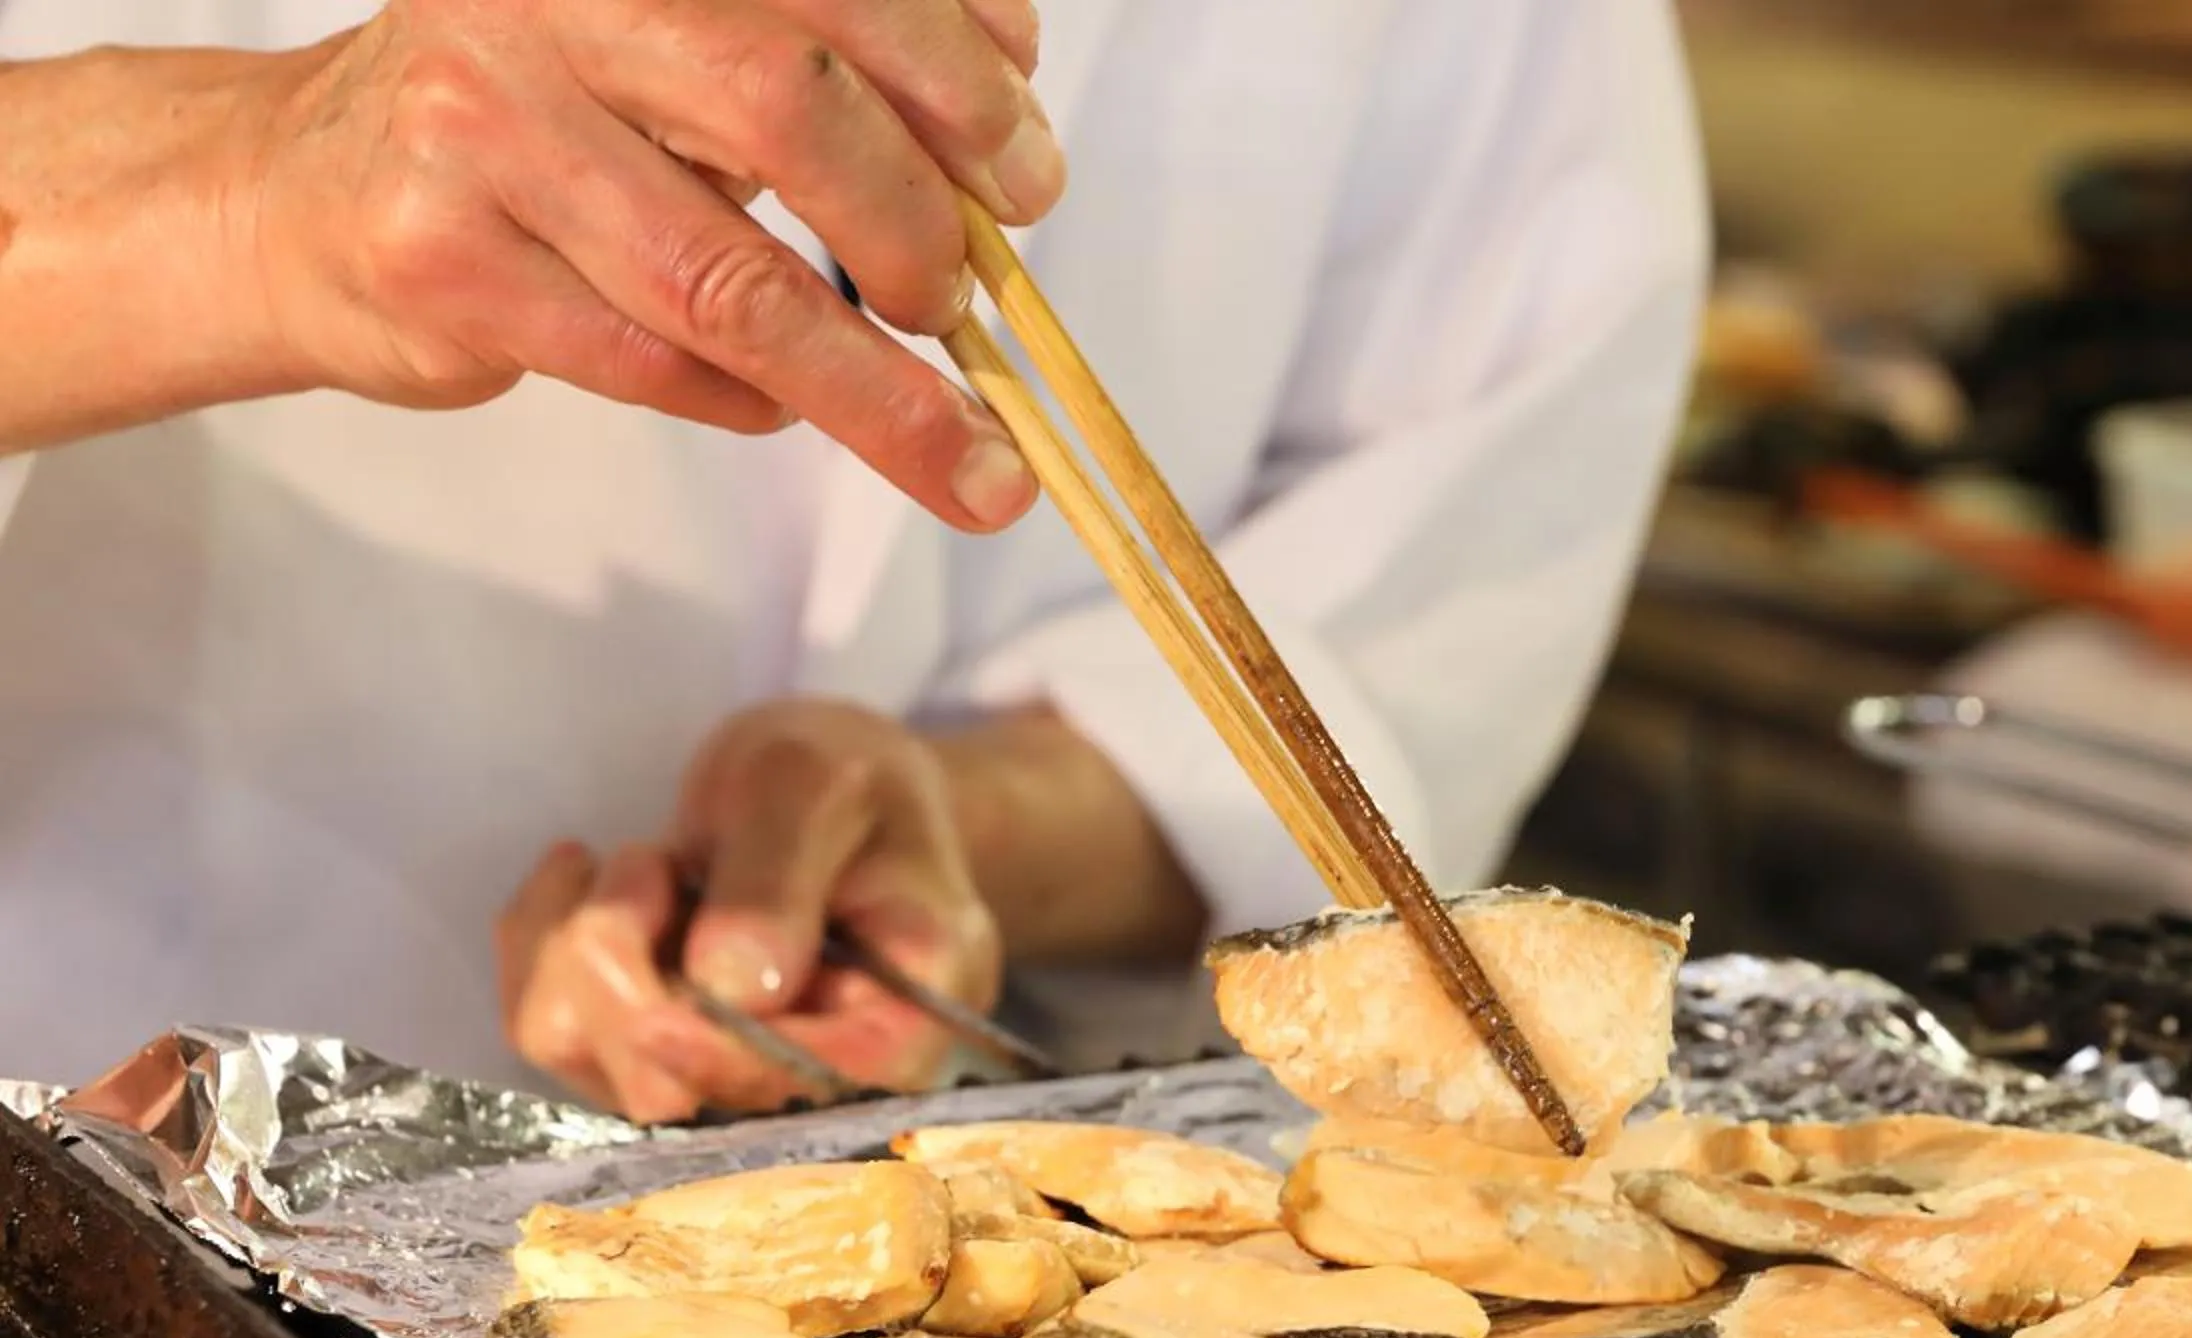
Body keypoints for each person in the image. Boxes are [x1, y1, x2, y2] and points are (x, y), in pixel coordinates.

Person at [0, 0, 1707, 1116]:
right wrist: (227, 188)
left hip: (938, 1323)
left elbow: (1441, 583)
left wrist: (950, 833)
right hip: (82, 1190)